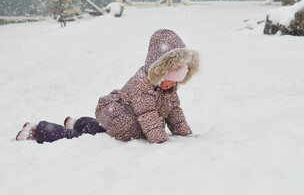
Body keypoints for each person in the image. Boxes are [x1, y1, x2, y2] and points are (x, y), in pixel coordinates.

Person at [16, 29, 199, 144]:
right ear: (159, 72)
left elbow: (175, 113)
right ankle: (39, 130)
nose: (174, 84)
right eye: (171, 79)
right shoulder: (142, 84)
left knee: (99, 129)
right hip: (118, 117)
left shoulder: (168, 89)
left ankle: (77, 121)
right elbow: (148, 116)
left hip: (122, 119)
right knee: (88, 140)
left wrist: (185, 135)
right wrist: (160, 142)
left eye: (178, 80)